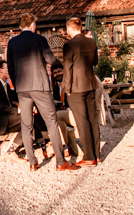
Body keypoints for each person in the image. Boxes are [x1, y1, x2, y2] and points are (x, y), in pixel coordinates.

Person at [6, 12, 80, 172]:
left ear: (20, 27)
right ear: (33, 25)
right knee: (52, 121)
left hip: (23, 88)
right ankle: (60, 162)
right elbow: (51, 60)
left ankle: (33, 162)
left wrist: (18, 82)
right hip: (40, 86)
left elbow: (10, 68)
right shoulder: (40, 39)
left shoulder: (12, 42)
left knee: (26, 125)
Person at [62, 16, 100, 164]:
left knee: (82, 121)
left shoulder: (69, 45)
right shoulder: (91, 42)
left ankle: (89, 157)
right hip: (90, 84)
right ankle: (97, 154)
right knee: (93, 120)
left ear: (70, 28)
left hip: (76, 87)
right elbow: (95, 61)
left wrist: (66, 88)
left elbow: (67, 68)